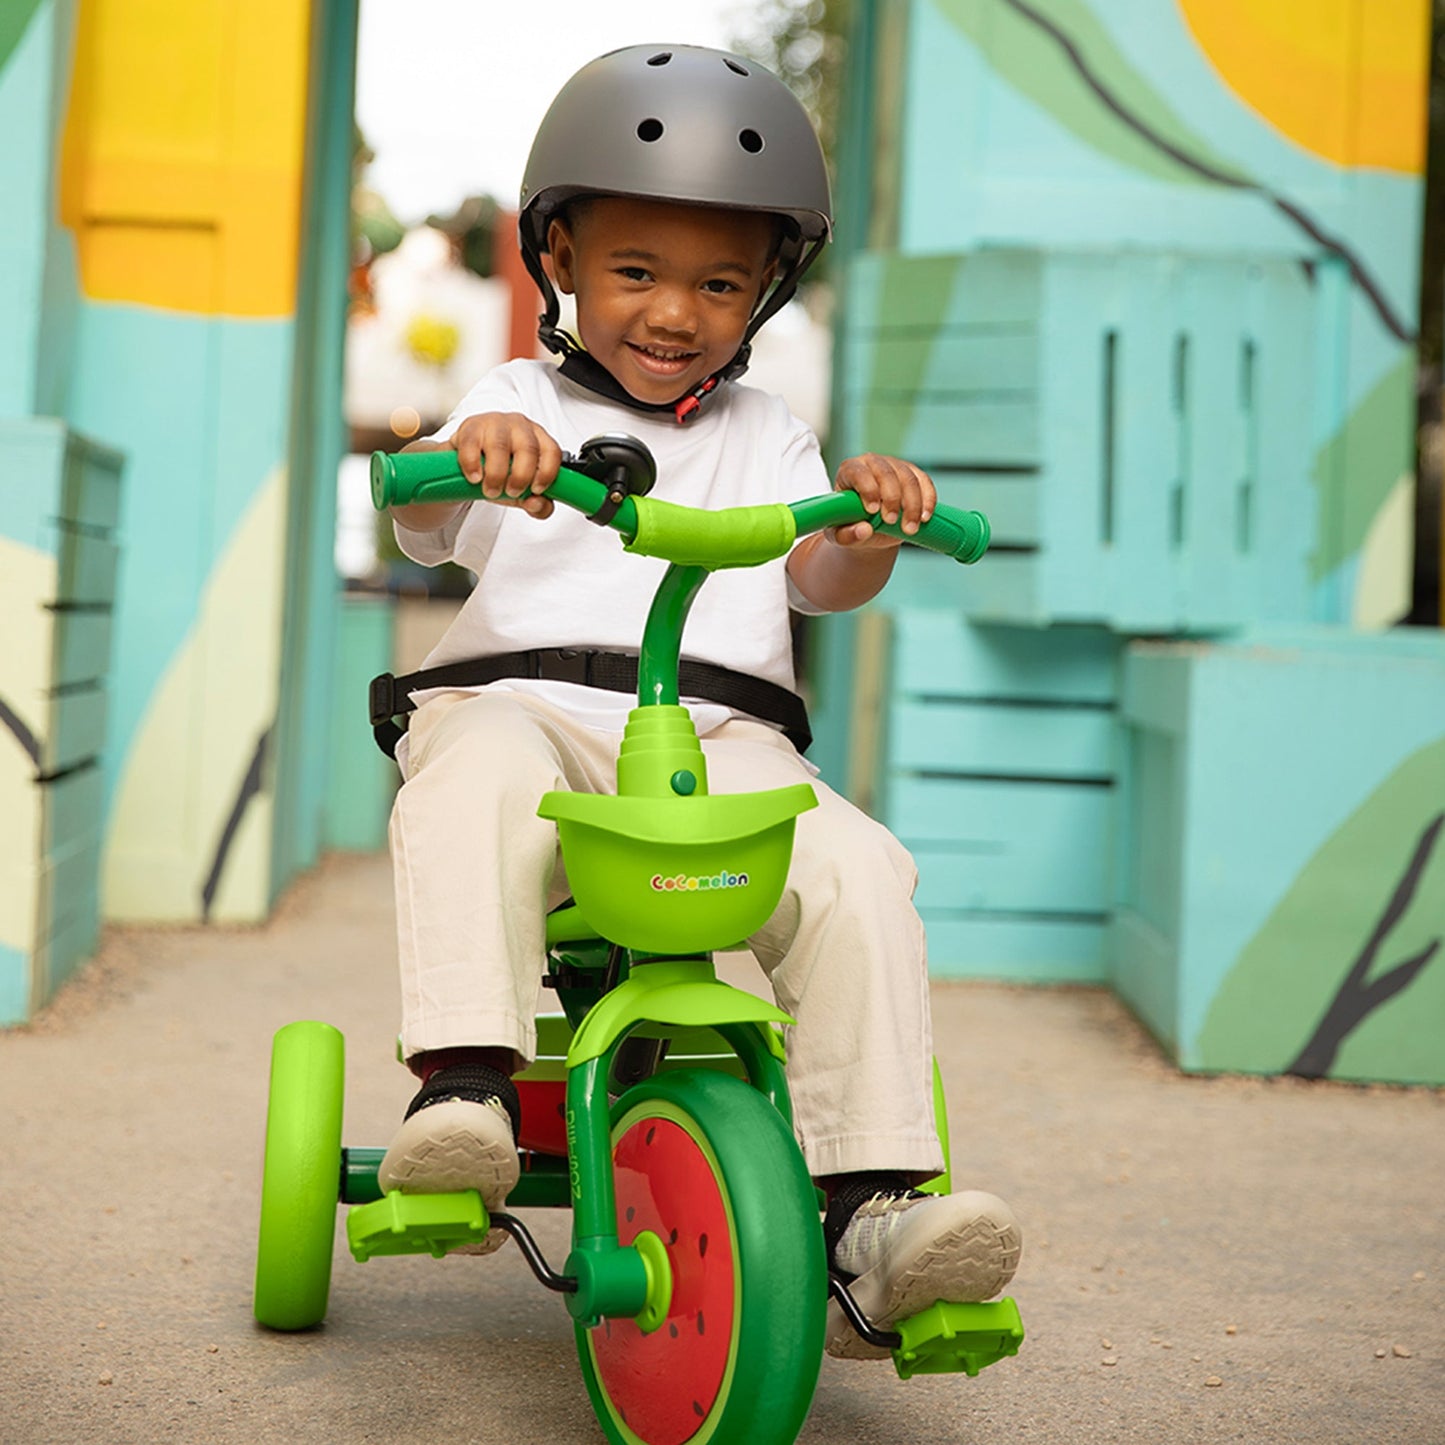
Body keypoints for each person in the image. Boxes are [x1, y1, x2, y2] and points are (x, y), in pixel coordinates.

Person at [377, 43, 1021, 1358]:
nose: (675, 311)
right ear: (556, 259)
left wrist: (870, 521)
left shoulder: (765, 432)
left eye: (718, 282)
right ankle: (466, 1089)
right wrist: (465, 460)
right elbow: (423, 520)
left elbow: (821, 578)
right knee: (478, 764)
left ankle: (875, 1208)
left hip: (716, 736)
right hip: (531, 712)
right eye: (636, 272)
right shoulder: (517, 400)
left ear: (763, 292)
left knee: (853, 865)